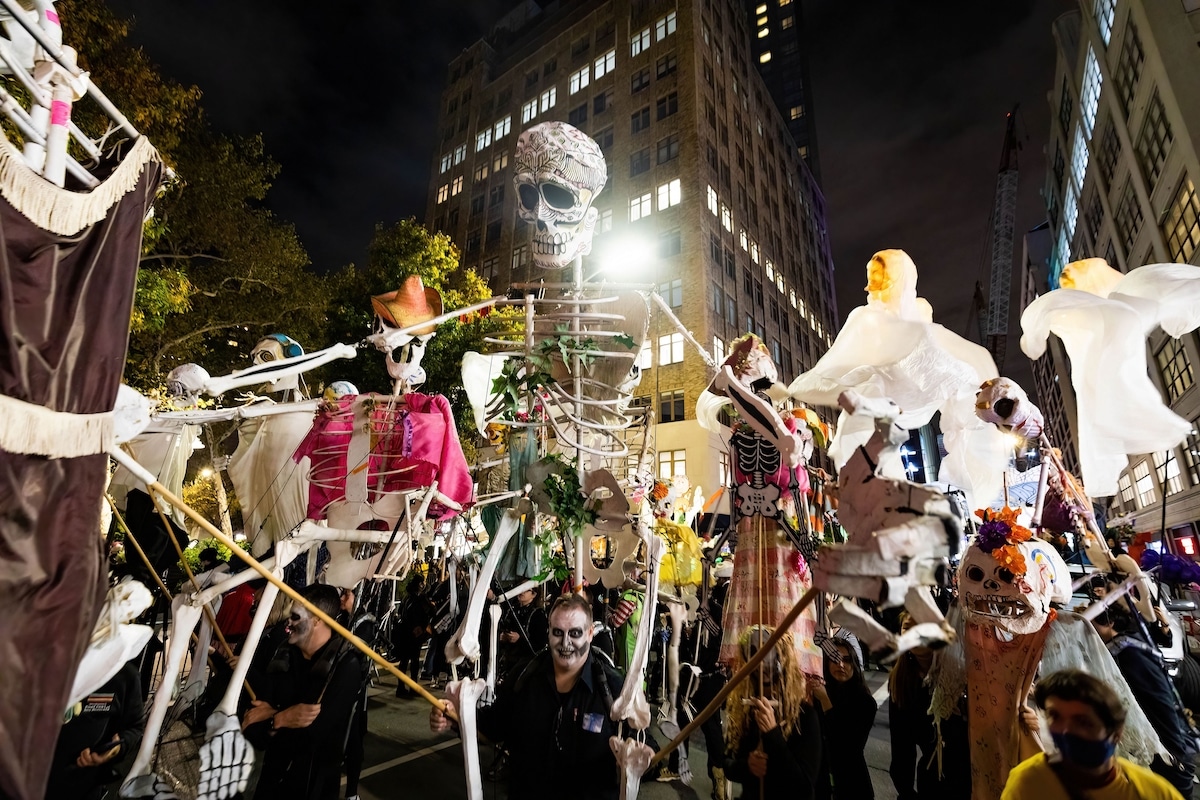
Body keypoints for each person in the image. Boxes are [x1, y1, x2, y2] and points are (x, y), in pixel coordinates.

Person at [430, 593, 624, 800]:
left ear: (590, 633)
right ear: (548, 632)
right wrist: (454, 715)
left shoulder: (613, 688)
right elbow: (494, 725)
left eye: (575, 633)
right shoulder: (525, 677)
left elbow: (642, 744)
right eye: (558, 632)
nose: (565, 643)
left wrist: (639, 759)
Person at [242, 583, 362, 800]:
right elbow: (252, 725)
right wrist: (281, 719)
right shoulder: (283, 653)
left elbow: (313, 734)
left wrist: (273, 716)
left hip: (313, 787)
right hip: (270, 783)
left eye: (296, 616)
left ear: (317, 620)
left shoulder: (344, 664)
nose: (288, 622)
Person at [1002, 668, 1184, 799]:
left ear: (1116, 733)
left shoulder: (1153, 792)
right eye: (1055, 716)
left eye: (1083, 722)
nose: (1065, 730)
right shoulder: (1028, 783)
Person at [1091, 610, 1197, 795]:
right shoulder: (1129, 642)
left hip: (1170, 748)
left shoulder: (1128, 654)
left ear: (1110, 623)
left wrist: (1173, 749)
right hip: (1166, 743)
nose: (1091, 628)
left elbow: (1158, 701)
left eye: (1093, 623)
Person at [724, 625, 824, 800]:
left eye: (769, 650)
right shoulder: (743, 709)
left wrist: (772, 734)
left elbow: (804, 788)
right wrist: (748, 766)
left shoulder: (805, 715)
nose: (762, 662)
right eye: (754, 652)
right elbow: (728, 764)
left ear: (783, 658)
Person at [887, 613, 970, 800]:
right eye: (908, 627)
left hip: (969, 777)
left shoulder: (960, 671)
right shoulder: (900, 682)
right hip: (932, 781)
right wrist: (906, 792)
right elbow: (901, 748)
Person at [45, 661, 144, 799]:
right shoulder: (36, 664)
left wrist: (114, 749)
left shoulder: (123, 675)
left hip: (82, 786)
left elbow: (134, 728)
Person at [815, 638, 876, 799]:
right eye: (834, 659)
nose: (841, 665)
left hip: (853, 785)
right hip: (822, 784)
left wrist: (825, 702)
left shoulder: (865, 702)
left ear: (854, 664)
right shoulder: (817, 695)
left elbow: (849, 747)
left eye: (847, 660)